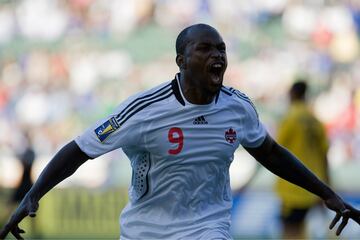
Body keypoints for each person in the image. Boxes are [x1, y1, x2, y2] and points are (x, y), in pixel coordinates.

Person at [0, 23, 359, 240]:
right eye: (205, 49)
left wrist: (327, 193)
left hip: (209, 225)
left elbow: (270, 152)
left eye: (221, 49)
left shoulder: (238, 107)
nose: (217, 55)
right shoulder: (143, 110)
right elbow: (81, 148)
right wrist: (35, 192)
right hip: (146, 230)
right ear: (181, 60)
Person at [275, 80, 330, 239]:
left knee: (290, 232)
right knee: (301, 231)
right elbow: (324, 155)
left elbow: (273, 151)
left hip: (293, 188)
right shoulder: (316, 121)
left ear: (292, 94)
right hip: (313, 187)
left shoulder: (290, 119)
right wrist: (326, 186)